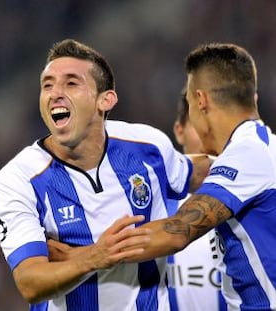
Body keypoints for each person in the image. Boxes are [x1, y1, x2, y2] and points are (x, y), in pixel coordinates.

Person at [0, 38, 211, 310]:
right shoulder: (18, 179)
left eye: (71, 83)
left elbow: (199, 171)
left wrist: (257, 159)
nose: (55, 92)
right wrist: (95, 257)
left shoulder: (146, 146)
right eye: (47, 85)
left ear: (105, 100)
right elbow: (29, 282)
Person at [109, 43, 276, 310]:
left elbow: (175, 233)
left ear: (200, 101)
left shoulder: (248, 154)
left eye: (188, 103)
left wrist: (88, 253)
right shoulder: (260, 148)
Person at [166, 88, 227, 311]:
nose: (208, 132)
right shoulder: (153, 203)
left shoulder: (256, 201)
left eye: (217, 124)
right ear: (179, 131)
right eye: (198, 122)